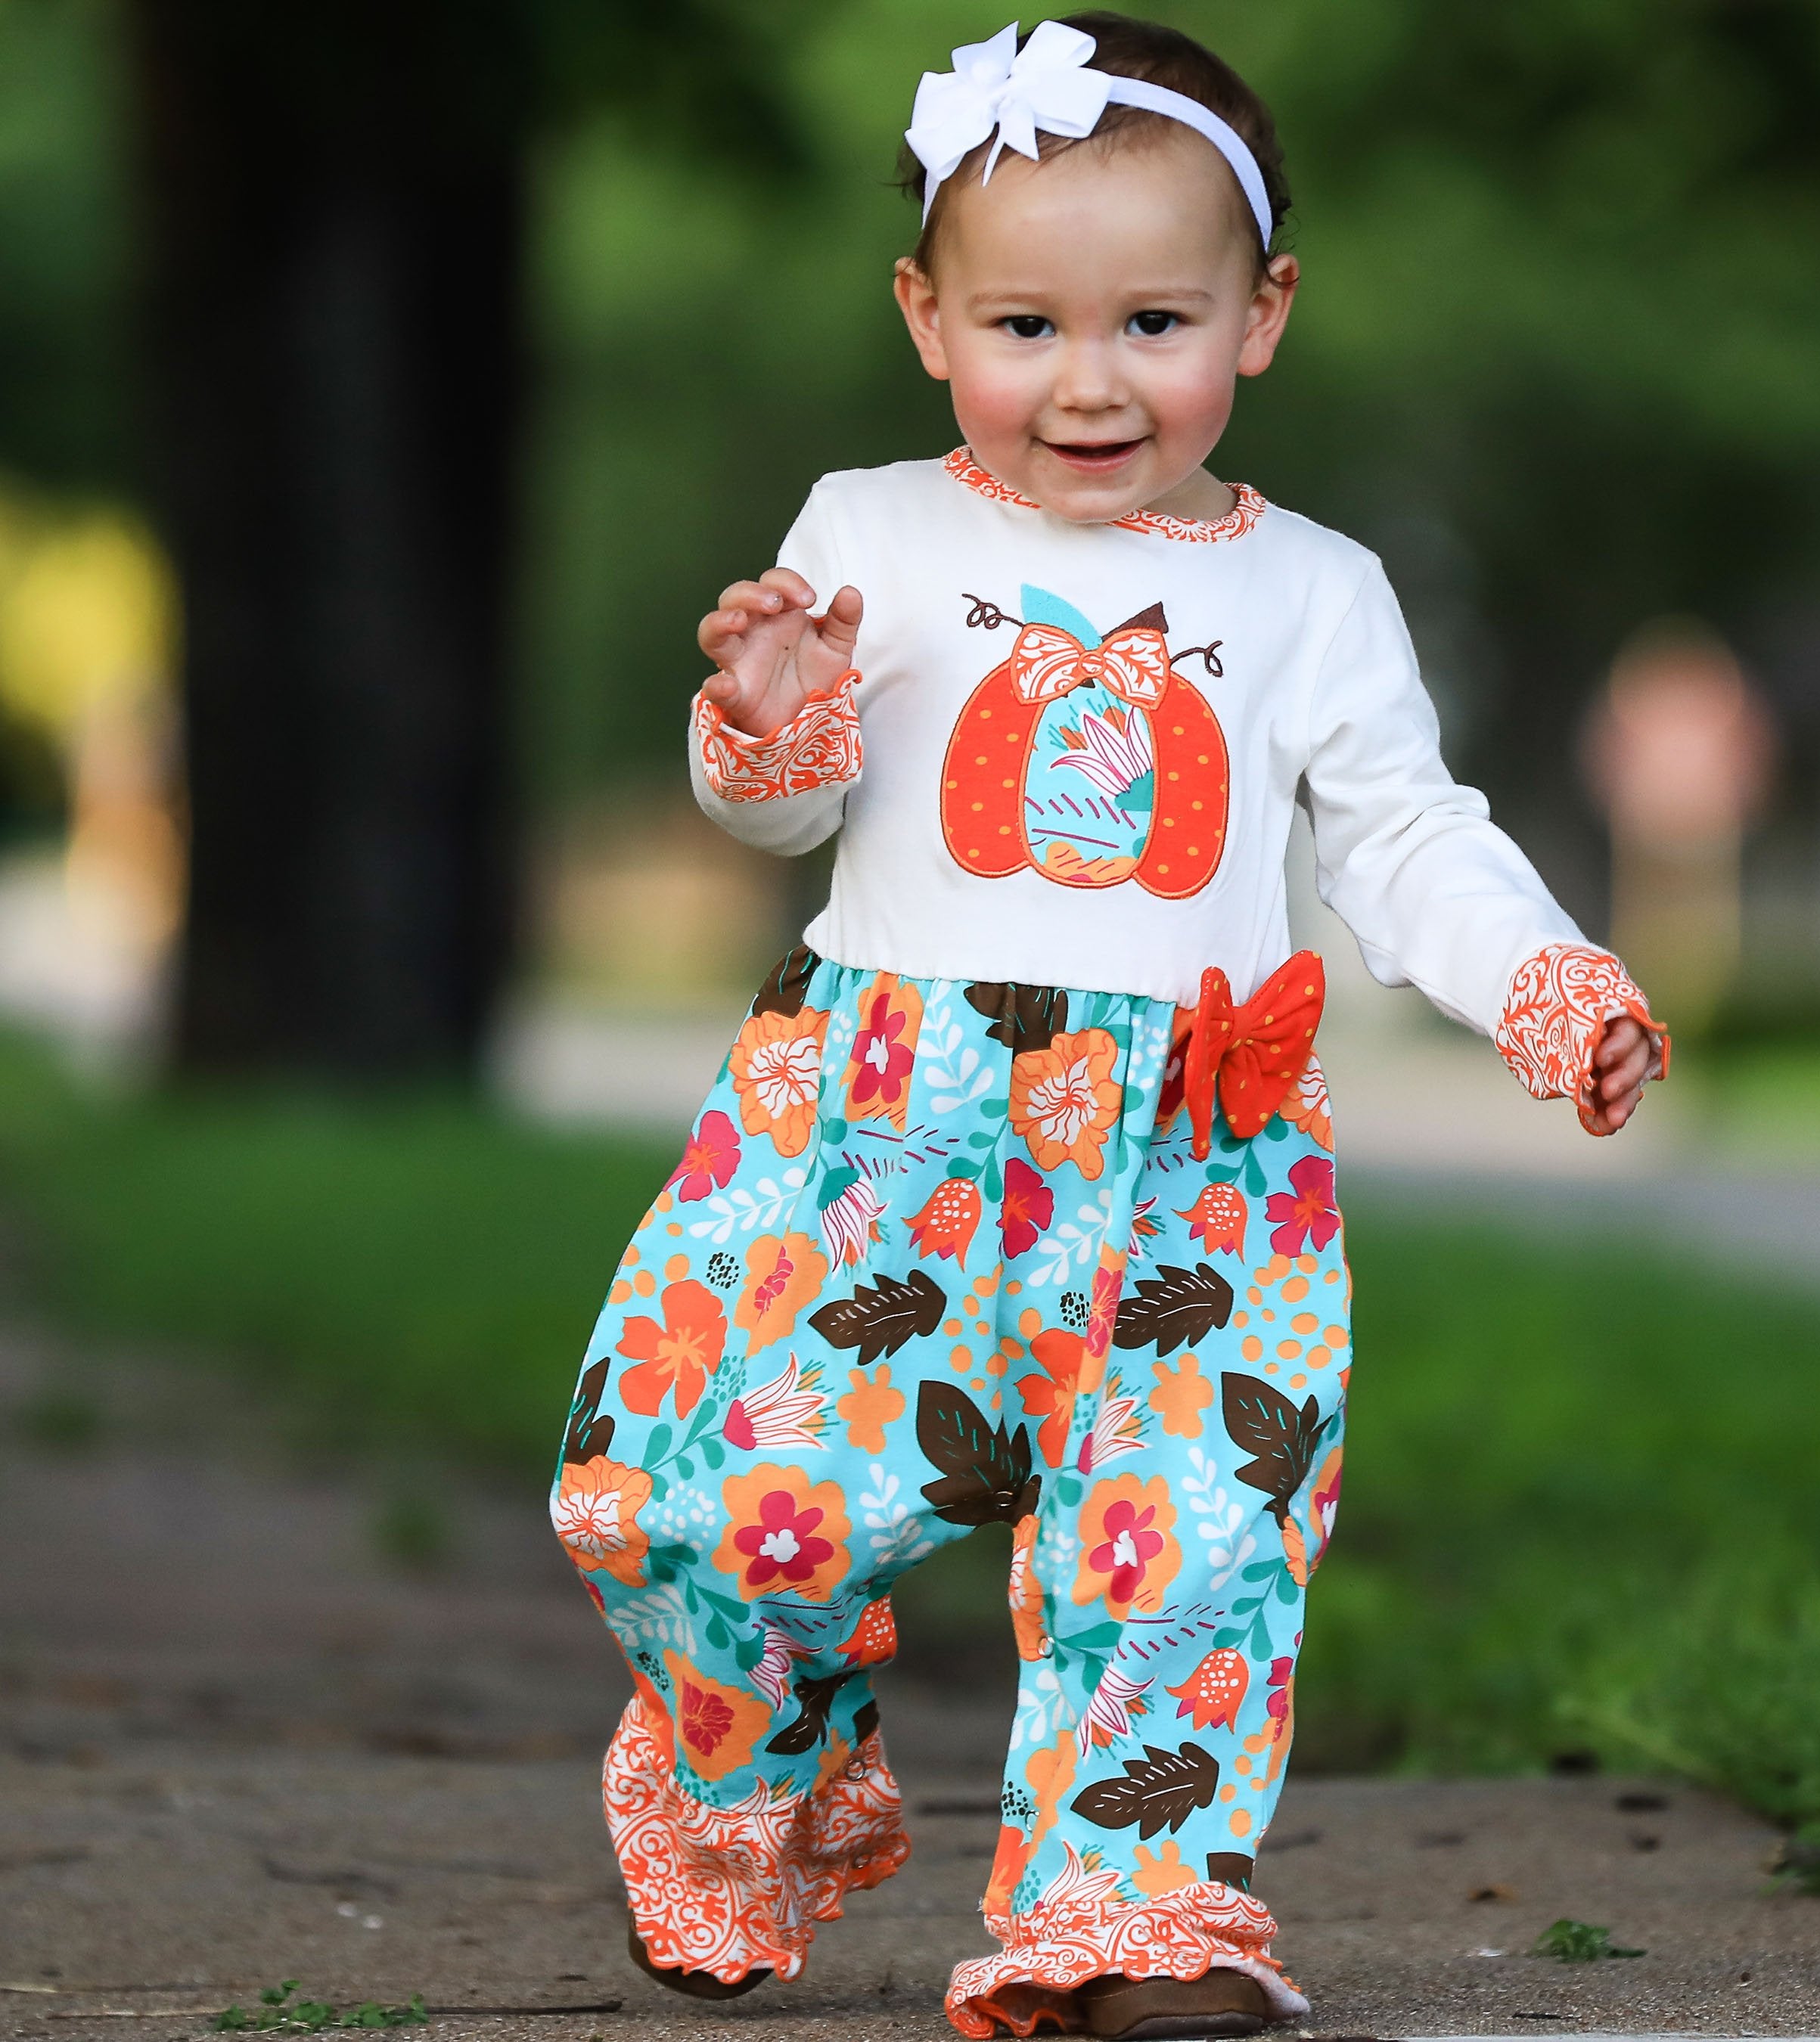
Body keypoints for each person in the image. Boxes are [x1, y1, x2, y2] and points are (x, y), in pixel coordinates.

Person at [548, 15, 1668, 2039]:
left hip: (1191, 1158)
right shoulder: (865, 529)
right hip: (872, 1135)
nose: (1086, 380)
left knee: (1193, 1547)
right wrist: (765, 711)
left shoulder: (1316, 591)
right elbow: (778, 816)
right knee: (688, 1492)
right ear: (924, 318)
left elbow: (1402, 830)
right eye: (1024, 324)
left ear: (1262, 315)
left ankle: (1123, 1909)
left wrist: (1538, 978)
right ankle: (742, 1758)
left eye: (1153, 318)